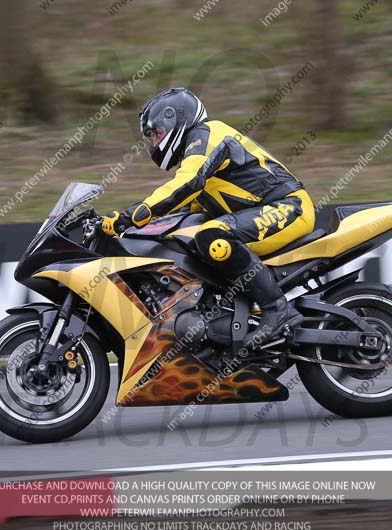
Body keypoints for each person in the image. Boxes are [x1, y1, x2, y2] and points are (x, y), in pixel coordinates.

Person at [102, 88, 315, 350]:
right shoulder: (196, 152)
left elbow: (186, 184)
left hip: (289, 206)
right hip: (270, 209)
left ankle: (277, 309)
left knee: (213, 237)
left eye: (156, 133)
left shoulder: (207, 135)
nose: (154, 142)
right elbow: (184, 207)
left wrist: (131, 215)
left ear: (175, 120)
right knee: (188, 237)